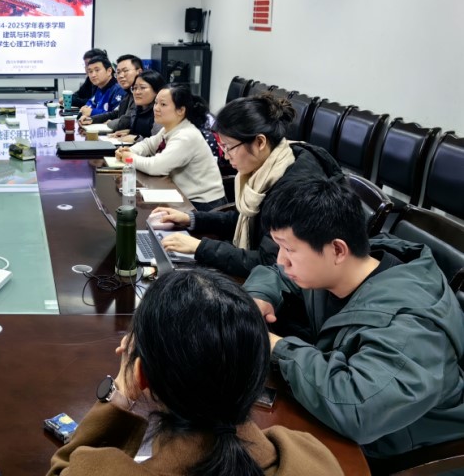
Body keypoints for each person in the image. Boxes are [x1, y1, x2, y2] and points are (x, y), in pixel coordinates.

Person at [244, 177, 464, 459]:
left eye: (289, 249)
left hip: (397, 446)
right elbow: (276, 274)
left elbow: (357, 409)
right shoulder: (343, 267)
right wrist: (259, 297)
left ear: (337, 250)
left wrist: (277, 347)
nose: (281, 260)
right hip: (342, 415)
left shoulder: (412, 328)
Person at [48, 268, 343, 476]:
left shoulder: (97, 470)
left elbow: (65, 467)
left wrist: (121, 392)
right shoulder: (312, 458)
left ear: (141, 376)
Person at [151, 93, 341, 277]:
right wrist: (190, 219)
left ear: (260, 142)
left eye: (229, 147)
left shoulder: (295, 192)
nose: (226, 156)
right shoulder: (268, 168)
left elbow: (270, 264)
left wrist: (200, 247)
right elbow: (244, 219)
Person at [115, 84, 226, 209]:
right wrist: (130, 150)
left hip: (202, 204)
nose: (156, 108)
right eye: (156, 103)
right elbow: (148, 144)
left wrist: (129, 158)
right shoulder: (171, 128)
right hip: (180, 195)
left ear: (181, 110)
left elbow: (156, 167)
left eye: (163, 104)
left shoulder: (186, 135)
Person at [80, 54, 143, 132]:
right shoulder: (129, 93)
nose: (121, 76)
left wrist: (110, 123)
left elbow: (127, 120)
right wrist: (91, 119)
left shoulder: (140, 93)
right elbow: (116, 113)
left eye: (125, 71)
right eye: (118, 72)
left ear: (139, 72)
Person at [121, 69, 165, 140]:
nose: (137, 92)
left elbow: (158, 142)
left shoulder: (159, 112)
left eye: (143, 88)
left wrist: (136, 138)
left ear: (157, 91)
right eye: (135, 88)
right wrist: (129, 133)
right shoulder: (137, 110)